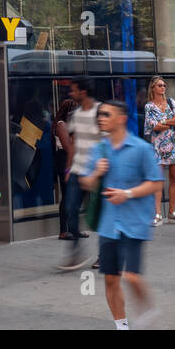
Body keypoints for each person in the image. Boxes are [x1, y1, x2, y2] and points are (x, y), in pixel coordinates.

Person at [81, 99, 163, 329]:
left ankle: (148, 309)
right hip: (109, 225)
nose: (101, 118)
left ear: (121, 118)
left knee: (132, 276)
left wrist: (126, 194)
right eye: (100, 114)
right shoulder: (99, 149)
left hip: (134, 222)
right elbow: (85, 182)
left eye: (106, 114)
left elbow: (156, 183)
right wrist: (96, 173)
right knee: (110, 279)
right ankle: (122, 325)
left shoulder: (141, 149)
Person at [58, 78, 101, 271]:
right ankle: (76, 252)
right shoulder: (74, 115)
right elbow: (73, 144)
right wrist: (68, 169)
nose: (70, 94)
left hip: (97, 172)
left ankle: (103, 255)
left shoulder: (101, 112)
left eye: (73, 90)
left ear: (83, 92)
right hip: (77, 170)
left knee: (99, 215)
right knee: (70, 210)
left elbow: (107, 143)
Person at [142, 77, 175, 225]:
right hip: (158, 146)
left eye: (164, 85)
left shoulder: (172, 102)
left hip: (174, 144)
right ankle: (158, 213)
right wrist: (167, 123)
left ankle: (171, 212)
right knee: (158, 180)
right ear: (153, 88)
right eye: (159, 85)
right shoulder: (149, 106)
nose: (163, 87)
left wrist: (162, 122)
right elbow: (153, 127)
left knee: (174, 177)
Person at [53, 96, 79, 239]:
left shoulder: (71, 125)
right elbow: (69, 147)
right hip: (64, 160)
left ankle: (74, 229)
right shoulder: (61, 124)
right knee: (67, 195)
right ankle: (64, 230)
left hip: (71, 159)